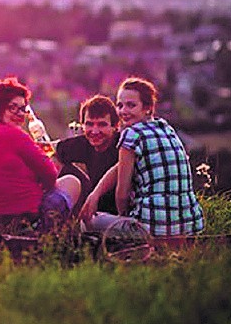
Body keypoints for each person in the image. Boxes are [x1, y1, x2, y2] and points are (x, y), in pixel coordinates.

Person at [79, 77, 204, 237]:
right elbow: (119, 167)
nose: (123, 111)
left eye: (131, 105)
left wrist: (123, 218)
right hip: (191, 226)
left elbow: (121, 194)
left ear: (148, 108)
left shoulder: (131, 135)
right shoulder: (165, 128)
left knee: (87, 223)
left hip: (151, 229)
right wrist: (95, 194)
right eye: (120, 105)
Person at [0, 77, 81, 231]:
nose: (19, 113)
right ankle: (47, 236)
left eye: (23, 109)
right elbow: (50, 174)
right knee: (71, 182)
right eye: (12, 107)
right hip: (10, 219)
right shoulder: (13, 135)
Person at [54, 95, 119, 217]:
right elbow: (53, 151)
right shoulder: (84, 143)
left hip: (119, 213)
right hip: (92, 208)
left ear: (115, 126)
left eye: (102, 125)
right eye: (89, 124)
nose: (94, 131)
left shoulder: (123, 146)